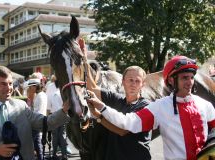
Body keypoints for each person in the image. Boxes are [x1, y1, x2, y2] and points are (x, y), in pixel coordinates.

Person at [86, 55, 215, 160]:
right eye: (184, 78)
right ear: (171, 80)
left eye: (192, 77)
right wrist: (101, 107)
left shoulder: (205, 105)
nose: (190, 82)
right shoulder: (159, 107)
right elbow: (127, 123)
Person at [0, 66, 70, 160]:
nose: (9, 88)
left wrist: (64, 110)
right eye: (3, 84)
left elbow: (45, 122)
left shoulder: (21, 106)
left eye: (10, 83)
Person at [80, 39, 151, 160]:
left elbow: (122, 131)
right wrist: (85, 59)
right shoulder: (116, 99)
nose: (133, 84)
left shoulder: (145, 106)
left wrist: (98, 115)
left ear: (142, 85)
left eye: (137, 81)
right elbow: (92, 87)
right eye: (130, 80)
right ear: (123, 82)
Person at [47, 79, 68, 160]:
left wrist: (48, 118)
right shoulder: (63, 94)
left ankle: (54, 154)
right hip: (63, 115)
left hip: (54, 116)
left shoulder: (51, 94)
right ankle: (64, 155)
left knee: (55, 136)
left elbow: (48, 108)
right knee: (63, 136)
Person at [27, 77, 47, 160]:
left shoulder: (39, 96)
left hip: (37, 122)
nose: (29, 89)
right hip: (39, 121)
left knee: (31, 143)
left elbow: (38, 111)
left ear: (35, 86)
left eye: (30, 87)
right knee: (37, 143)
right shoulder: (41, 95)